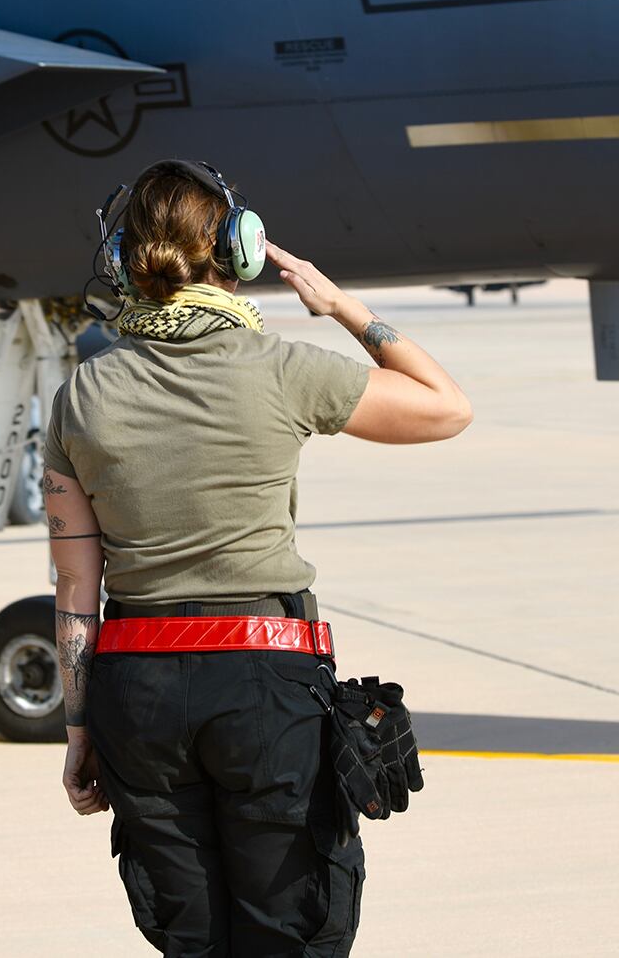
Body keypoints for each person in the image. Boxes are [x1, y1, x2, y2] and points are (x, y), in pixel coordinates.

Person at [41, 159, 472, 956]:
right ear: (239, 250)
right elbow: (447, 408)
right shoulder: (285, 369)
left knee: (191, 939)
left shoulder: (81, 396)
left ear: (122, 260)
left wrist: (78, 728)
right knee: (290, 932)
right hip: (264, 682)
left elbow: (75, 583)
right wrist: (343, 306)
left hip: (136, 693)